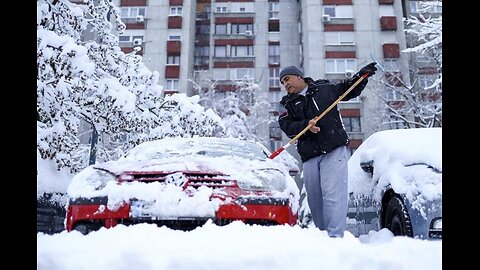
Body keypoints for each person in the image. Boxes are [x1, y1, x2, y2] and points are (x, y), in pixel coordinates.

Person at [277, 63, 377, 237]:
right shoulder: (287, 104)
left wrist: (362, 76)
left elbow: (348, 89)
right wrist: (306, 126)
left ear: (299, 76)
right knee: (315, 200)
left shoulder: (323, 88)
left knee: (333, 194)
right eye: (282, 82)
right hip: (309, 155)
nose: (285, 84)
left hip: (333, 149)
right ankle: (322, 236)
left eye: (287, 79)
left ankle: (335, 237)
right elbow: (286, 125)